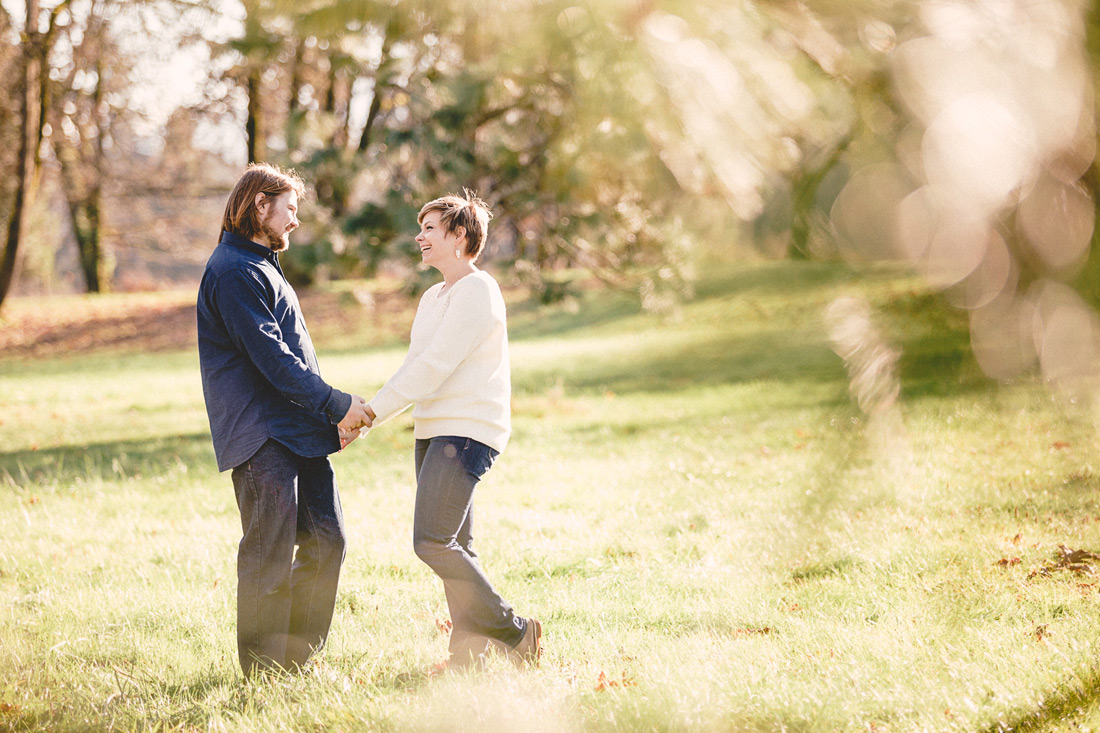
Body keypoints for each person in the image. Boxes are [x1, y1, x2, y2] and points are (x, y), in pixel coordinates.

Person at [196, 162, 373, 676]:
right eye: (290, 209)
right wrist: (338, 404)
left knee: (328, 541)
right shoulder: (232, 271)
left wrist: (326, 422)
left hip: (298, 433)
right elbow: (274, 362)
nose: (295, 221)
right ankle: (262, 671)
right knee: (267, 557)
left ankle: (295, 658)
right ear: (259, 205)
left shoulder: (259, 265)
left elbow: (290, 365)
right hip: (262, 437)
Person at [363, 190, 541, 670]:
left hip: (465, 433)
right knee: (456, 545)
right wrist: (371, 412)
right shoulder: (432, 296)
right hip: (433, 432)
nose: (419, 237)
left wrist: (370, 415)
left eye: (429, 228)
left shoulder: (478, 291)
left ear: (460, 235)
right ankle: (469, 655)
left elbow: (436, 366)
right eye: (419, 228)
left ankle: (516, 631)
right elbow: (415, 365)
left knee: (432, 542)